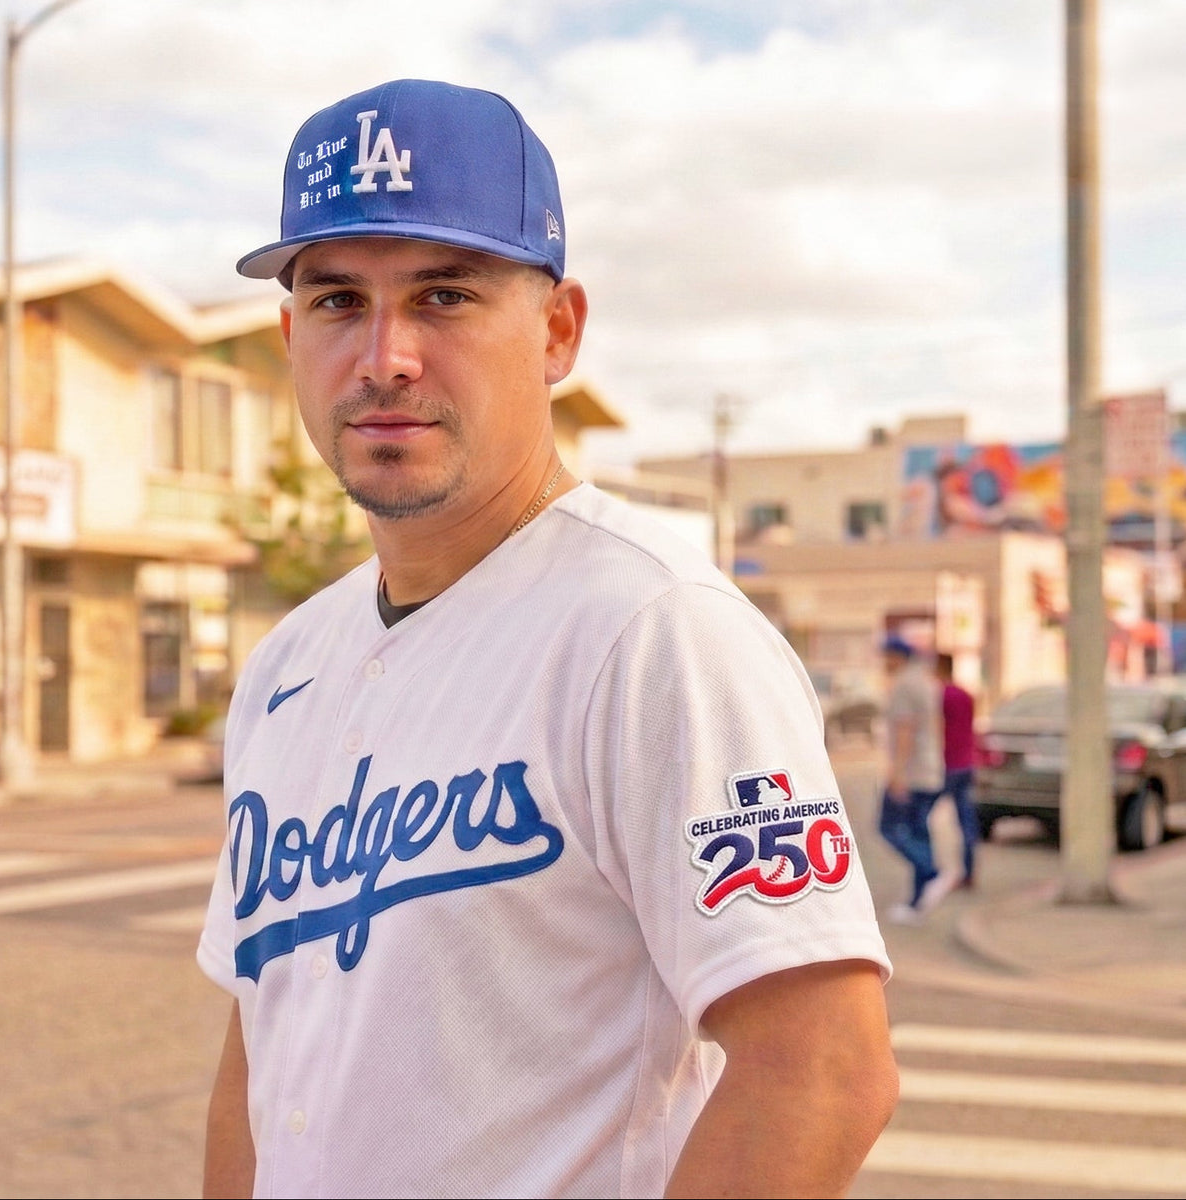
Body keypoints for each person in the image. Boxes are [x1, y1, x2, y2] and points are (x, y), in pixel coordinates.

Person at [198, 78, 898, 1199]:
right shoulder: (287, 662)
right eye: (338, 302)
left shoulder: (654, 630)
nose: (386, 357)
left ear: (558, 330)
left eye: (444, 296)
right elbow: (260, 1044)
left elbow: (819, 1070)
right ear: (290, 337)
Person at [877, 636, 960, 923]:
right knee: (918, 831)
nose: (883, 662)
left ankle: (933, 872)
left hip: (913, 773)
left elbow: (905, 730)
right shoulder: (926, 681)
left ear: (897, 656)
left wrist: (897, 773)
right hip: (931, 768)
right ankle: (917, 902)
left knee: (889, 828)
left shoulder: (904, 684)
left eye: (885, 655)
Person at [935, 652, 980, 887]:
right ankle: (969, 872)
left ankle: (929, 870)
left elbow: (936, 730)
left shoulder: (941, 695)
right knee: (966, 821)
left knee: (922, 817)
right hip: (967, 763)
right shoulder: (966, 695)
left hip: (948, 763)